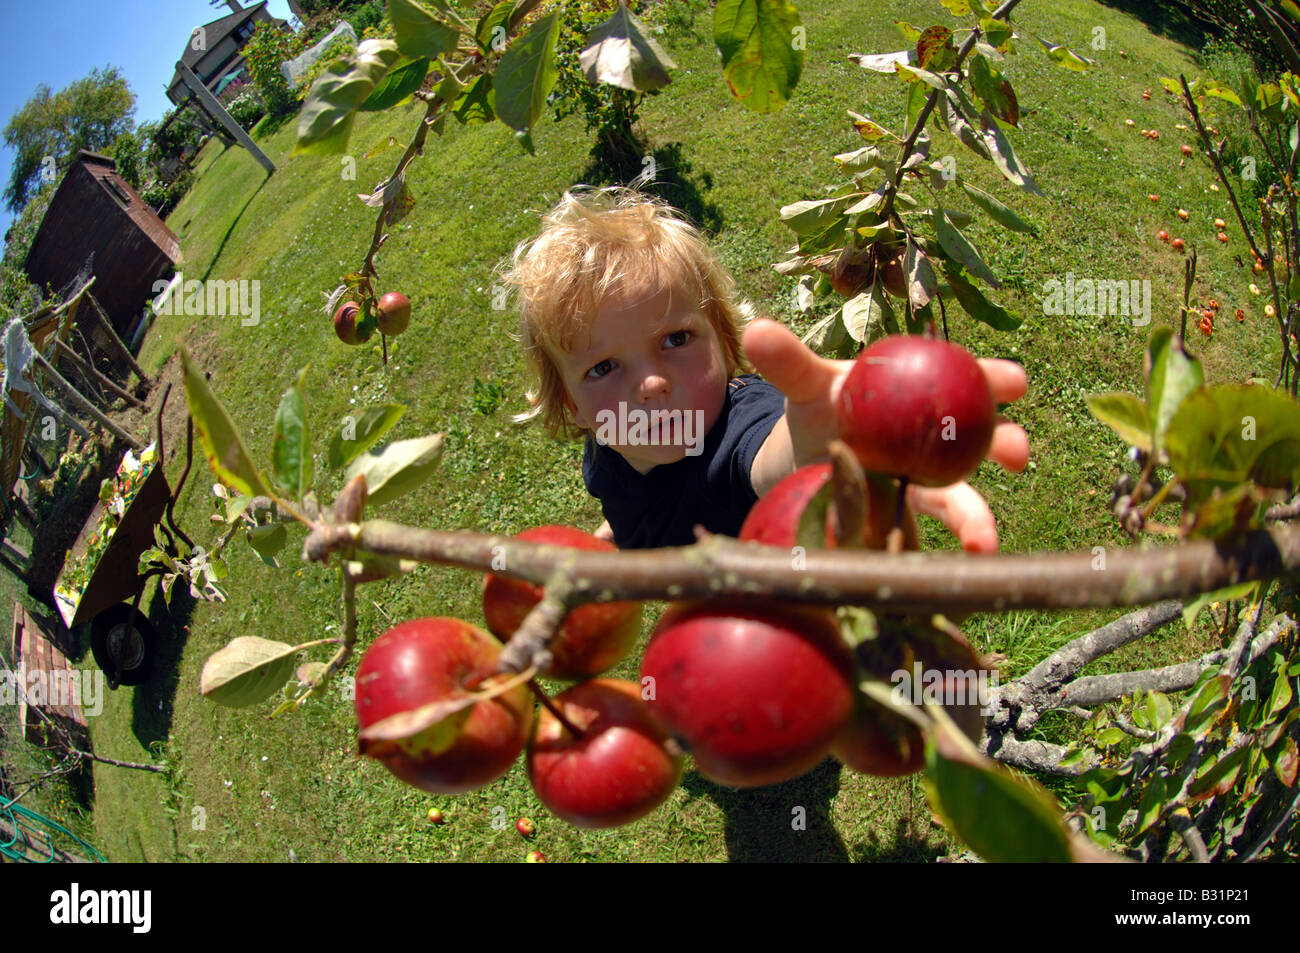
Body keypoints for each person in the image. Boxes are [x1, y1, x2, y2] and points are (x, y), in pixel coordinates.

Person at [502, 186, 1029, 551]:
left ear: (725, 345)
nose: (652, 384)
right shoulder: (608, 448)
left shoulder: (741, 435)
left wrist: (828, 443)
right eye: (602, 368)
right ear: (572, 406)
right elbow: (627, 498)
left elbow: (771, 456)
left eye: (676, 339)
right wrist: (618, 535)